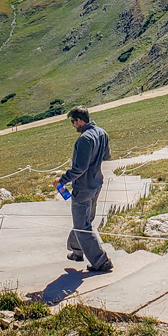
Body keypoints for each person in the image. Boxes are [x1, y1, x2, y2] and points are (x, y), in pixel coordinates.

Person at [56, 106, 112, 272]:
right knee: (86, 220)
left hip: (83, 188)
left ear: (80, 120)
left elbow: (79, 168)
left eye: (73, 122)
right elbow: (107, 156)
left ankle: (101, 262)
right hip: (96, 183)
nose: (73, 125)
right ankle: (77, 251)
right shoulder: (102, 132)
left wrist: (62, 179)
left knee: (82, 226)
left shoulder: (84, 139)